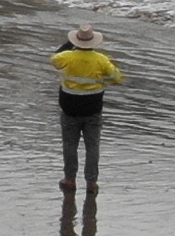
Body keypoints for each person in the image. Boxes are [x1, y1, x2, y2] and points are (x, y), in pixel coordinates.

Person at [49, 25, 122, 187]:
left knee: (69, 144)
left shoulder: (67, 57)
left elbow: (54, 58)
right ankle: (91, 181)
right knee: (92, 146)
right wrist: (104, 81)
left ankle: (69, 179)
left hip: (69, 109)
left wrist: (67, 44)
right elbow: (117, 78)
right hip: (92, 110)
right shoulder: (101, 60)